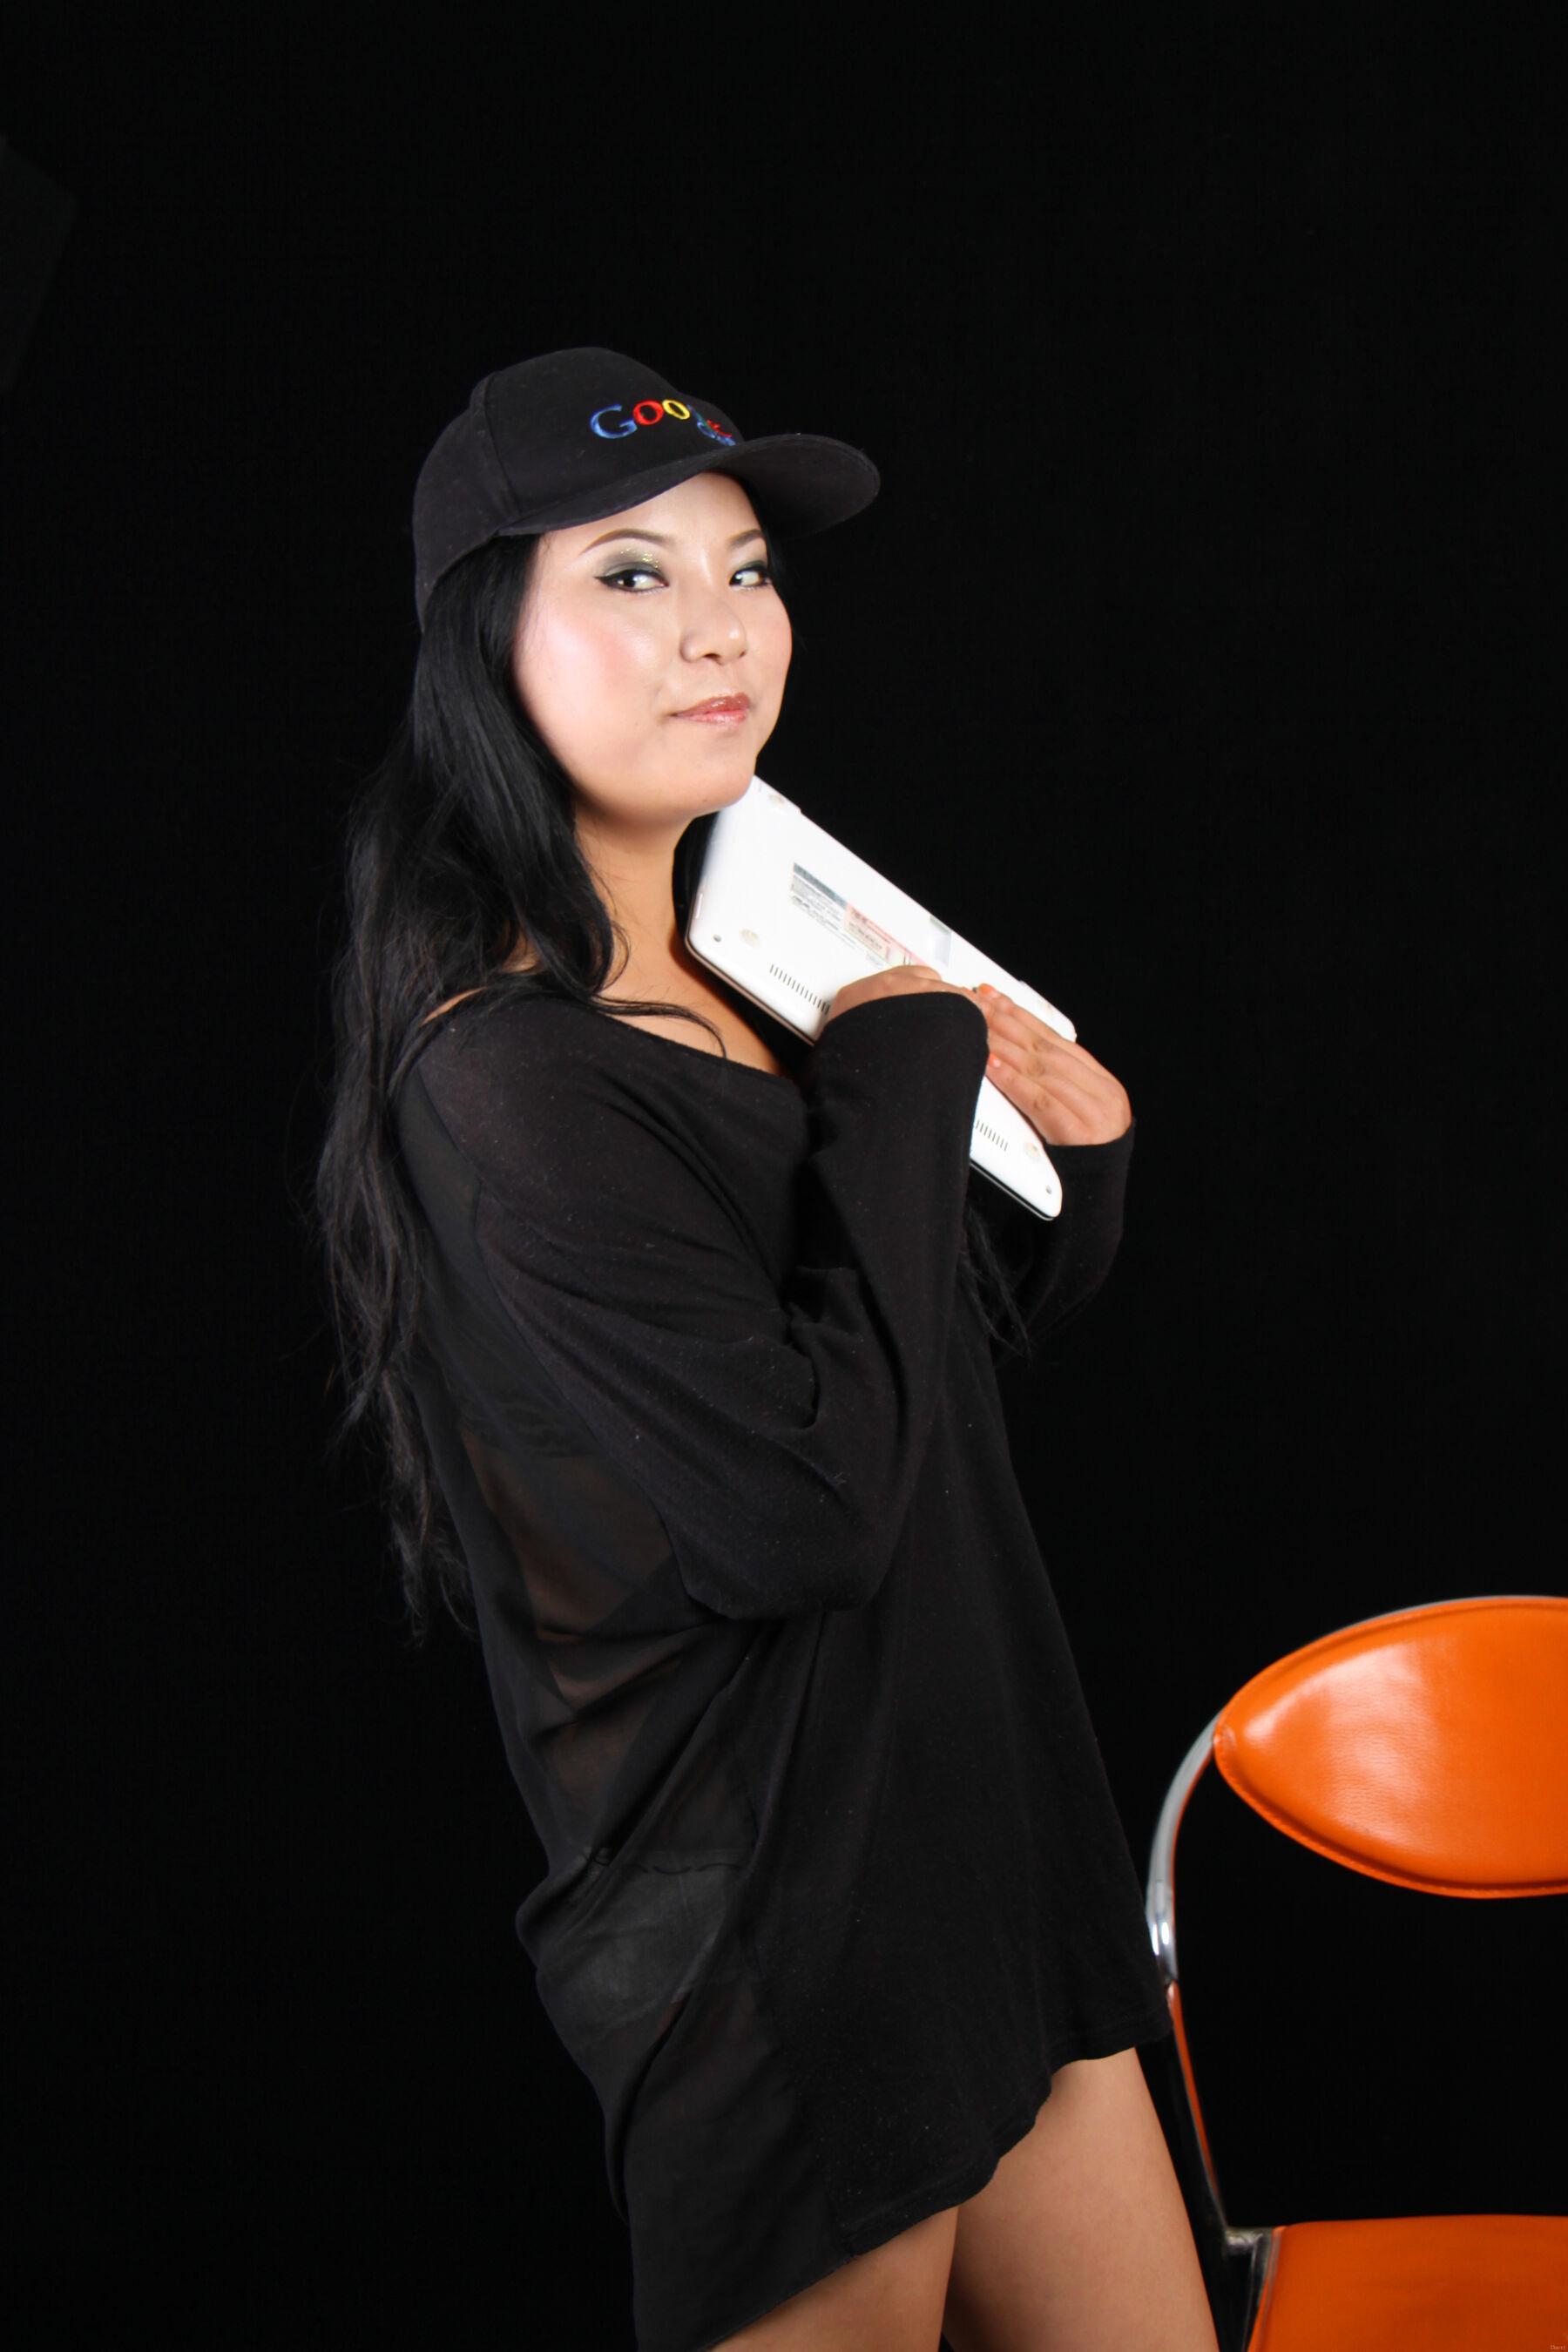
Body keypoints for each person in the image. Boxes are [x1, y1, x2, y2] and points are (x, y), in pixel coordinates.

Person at [314, 347, 1216, 2352]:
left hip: (983, 1849)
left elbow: (906, 1379)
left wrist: (1077, 1161)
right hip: (788, 1942)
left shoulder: (749, 973)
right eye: (632, 576)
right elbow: (803, 1514)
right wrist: (902, 1071)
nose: (719, 627)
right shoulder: (508, 1078)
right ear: (486, 645)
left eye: (744, 571)